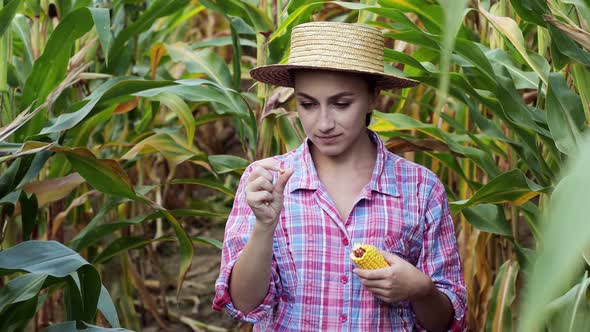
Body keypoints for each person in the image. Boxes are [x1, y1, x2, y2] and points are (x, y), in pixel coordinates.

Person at [212, 21, 466, 331]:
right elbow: (245, 305)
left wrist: (421, 290)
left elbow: (445, 322)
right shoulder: (265, 181)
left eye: (342, 104)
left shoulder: (420, 188)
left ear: (373, 96)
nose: (323, 123)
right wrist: (265, 226)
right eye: (307, 104)